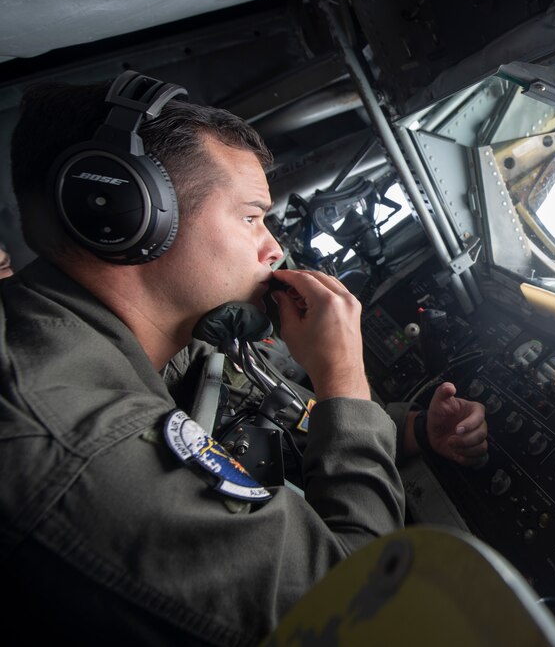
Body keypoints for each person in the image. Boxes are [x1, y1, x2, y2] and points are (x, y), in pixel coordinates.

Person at [0, 76, 487, 644]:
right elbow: (356, 611)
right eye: (252, 217)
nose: (274, 248)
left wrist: (413, 428)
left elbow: (275, 409)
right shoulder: (81, 445)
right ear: (126, 214)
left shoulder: (154, 343)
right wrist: (345, 377)